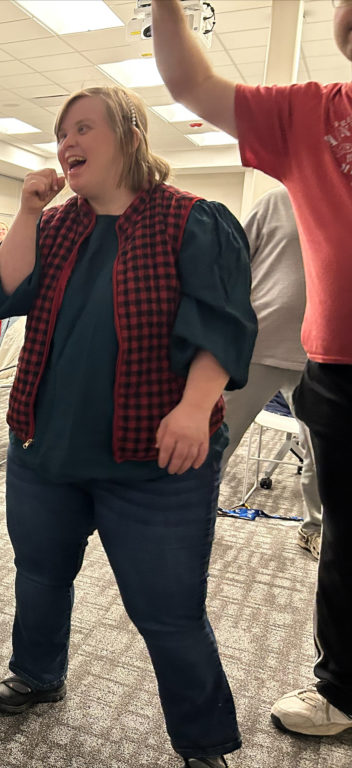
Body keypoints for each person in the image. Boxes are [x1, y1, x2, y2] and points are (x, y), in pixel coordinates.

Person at [0, 86, 256, 768]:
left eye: (83, 128)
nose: (66, 142)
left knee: (168, 610)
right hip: (46, 447)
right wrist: (26, 209)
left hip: (152, 462)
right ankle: (38, 673)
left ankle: (201, 742)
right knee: (41, 573)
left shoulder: (193, 220)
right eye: (60, 133)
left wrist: (197, 408)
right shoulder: (58, 224)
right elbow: (4, 291)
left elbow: (223, 323)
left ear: (131, 135)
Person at [151, 0, 352, 738]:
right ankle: (343, 687)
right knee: (345, 536)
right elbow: (191, 83)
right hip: (326, 359)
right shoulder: (313, 118)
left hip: (310, 357)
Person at [221, 187, 322, 558]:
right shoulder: (277, 201)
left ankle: (315, 529)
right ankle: (190, 522)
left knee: (322, 452)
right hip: (257, 347)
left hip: (318, 354)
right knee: (218, 441)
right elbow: (233, 264)